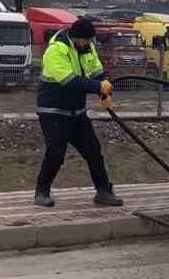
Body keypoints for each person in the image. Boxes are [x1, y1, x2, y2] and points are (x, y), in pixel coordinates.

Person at [34, 16, 122, 207]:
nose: (90, 44)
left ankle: (104, 192)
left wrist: (104, 88)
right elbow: (69, 80)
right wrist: (98, 87)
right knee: (56, 153)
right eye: (87, 40)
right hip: (53, 110)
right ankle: (41, 192)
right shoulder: (57, 50)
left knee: (93, 151)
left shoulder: (86, 47)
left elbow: (96, 70)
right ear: (77, 37)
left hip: (76, 111)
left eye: (91, 41)